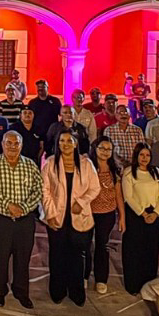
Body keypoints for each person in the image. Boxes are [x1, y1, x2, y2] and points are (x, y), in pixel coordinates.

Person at [0, 130, 42, 308]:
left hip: (25, 220)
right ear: (2, 144)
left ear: (21, 146)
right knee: (0, 258)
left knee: (23, 258)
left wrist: (23, 208)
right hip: (1, 220)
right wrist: (9, 206)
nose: (12, 147)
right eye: (8, 143)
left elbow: (38, 190)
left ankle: (21, 291)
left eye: (16, 143)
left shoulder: (30, 165)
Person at [41, 131, 101, 306]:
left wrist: (81, 202)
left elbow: (95, 188)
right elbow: (44, 190)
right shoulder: (50, 163)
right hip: (57, 217)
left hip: (80, 217)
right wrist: (50, 214)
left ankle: (76, 292)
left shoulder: (86, 164)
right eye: (62, 140)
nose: (65, 144)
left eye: (69, 140)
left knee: (77, 256)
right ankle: (57, 291)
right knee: (57, 255)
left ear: (75, 143)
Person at [120, 143, 159, 295]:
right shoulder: (129, 172)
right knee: (134, 250)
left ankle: (149, 283)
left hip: (154, 215)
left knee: (150, 250)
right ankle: (133, 284)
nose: (144, 158)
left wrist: (156, 213)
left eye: (147, 155)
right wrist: (143, 214)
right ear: (136, 155)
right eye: (141, 155)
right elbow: (128, 197)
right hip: (136, 216)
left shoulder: (156, 172)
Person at [88, 138, 122, 294]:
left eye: (109, 149)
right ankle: (84, 275)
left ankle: (101, 279)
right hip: (89, 212)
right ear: (95, 148)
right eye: (102, 148)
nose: (105, 152)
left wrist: (122, 216)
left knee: (102, 246)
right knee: (85, 245)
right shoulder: (88, 167)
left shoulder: (115, 170)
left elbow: (118, 194)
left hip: (107, 213)